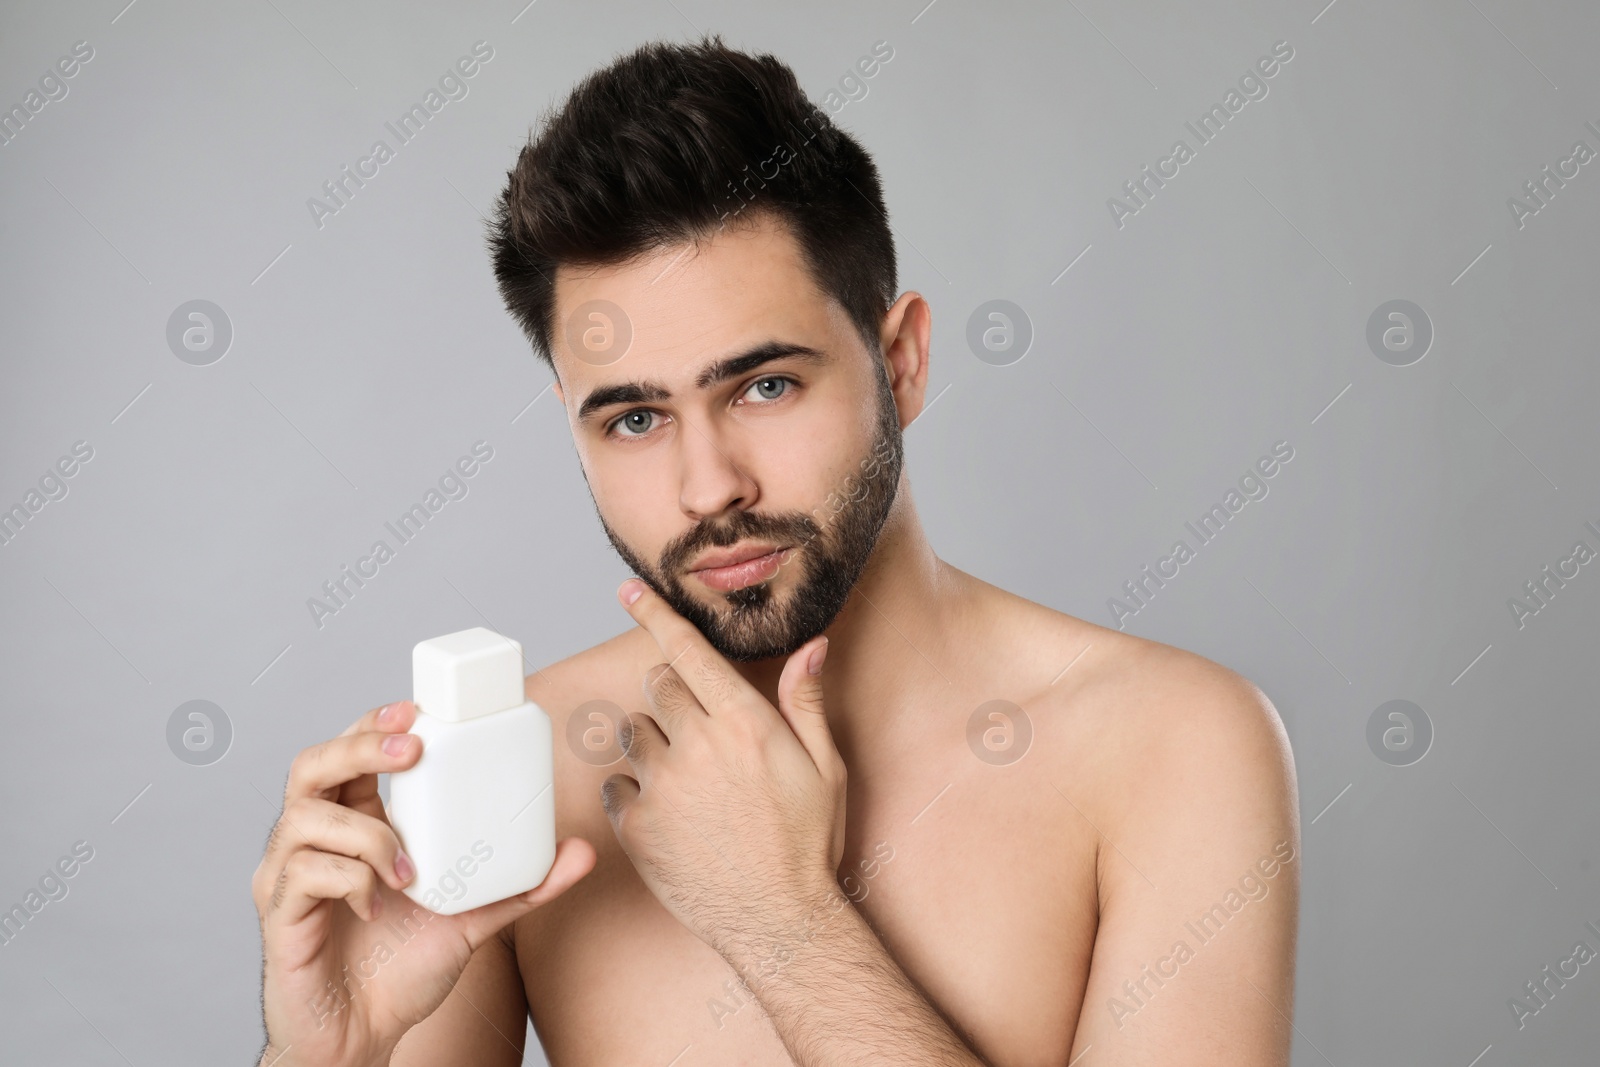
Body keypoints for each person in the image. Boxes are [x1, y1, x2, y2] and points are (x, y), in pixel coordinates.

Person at [254, 33, 1299, 1067]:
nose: (709, 486)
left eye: (764, 386)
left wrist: (785, 925)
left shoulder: (1168, 749)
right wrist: (328, 1054)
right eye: (633, 419)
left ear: (902, 361)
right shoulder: (526, 778)